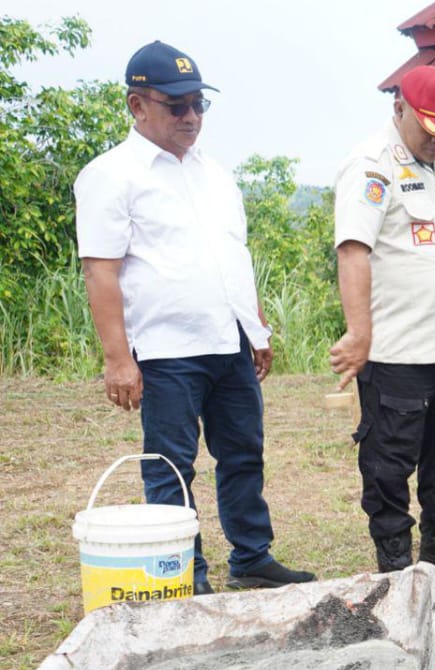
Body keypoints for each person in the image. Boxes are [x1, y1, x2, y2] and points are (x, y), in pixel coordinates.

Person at [74, 41, 313, 595]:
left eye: (199, 104)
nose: (191, 117)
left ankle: (252, 556)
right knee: (170, 466)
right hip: (165, 349)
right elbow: (101, 272)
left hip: (227, 341)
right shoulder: (111, 175)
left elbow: (233, 256)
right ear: (138, 105)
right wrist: (117, 359)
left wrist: (254, 327)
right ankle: (183, 571)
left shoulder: (214, 174)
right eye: (176, 105)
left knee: (243, 454)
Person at [330, 66, 435, 579]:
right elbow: (353, 251)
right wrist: (358, 334)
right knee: (389, 459)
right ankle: (395, 558)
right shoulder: (371, 167)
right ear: (398, 109)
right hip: (398, 350)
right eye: (431, 132)